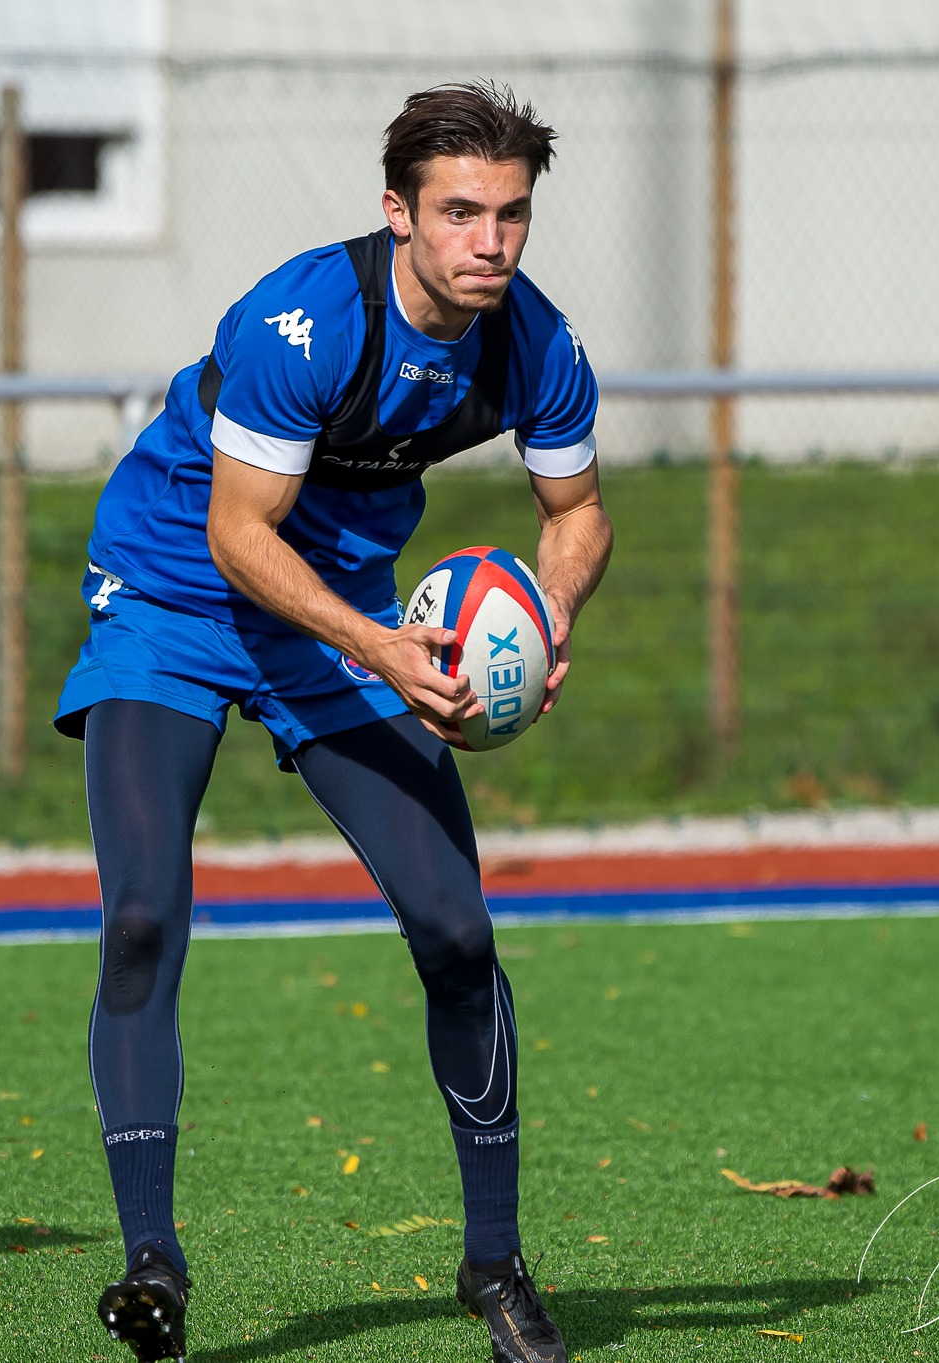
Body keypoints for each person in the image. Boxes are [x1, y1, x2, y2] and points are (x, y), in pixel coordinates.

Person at [55, 82, 613, 1363]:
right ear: (396, 213)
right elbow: (237, 534)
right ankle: (154, 1261)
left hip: (353, 614)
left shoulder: (534, 341)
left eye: (511, 214)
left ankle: (496, 1267)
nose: (490, 241)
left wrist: (548, 611)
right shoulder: (300, 323)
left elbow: (576, 511)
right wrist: (377, 646)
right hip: (177, 594)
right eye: (460, 213)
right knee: (141, 918)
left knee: (456, 933)